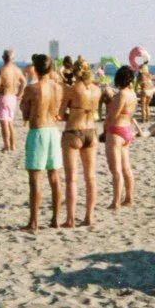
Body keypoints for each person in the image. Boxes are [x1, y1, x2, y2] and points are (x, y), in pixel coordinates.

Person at [21, 55, 63, 231]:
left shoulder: (32, 88)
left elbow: (25, 112)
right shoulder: (58, 88)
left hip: (38, 130)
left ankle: (33, 221)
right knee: (54, 177)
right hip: (53, 131)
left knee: (35, 179)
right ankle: (55, 219)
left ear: (35, 69)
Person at [60, 59, 102, 227]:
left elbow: (61, 114)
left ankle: (70, 219)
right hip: (91, 131)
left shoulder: (71, 90)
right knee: (90, 177)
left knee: (71, 179)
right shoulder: (97, 90)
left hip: (74, 130)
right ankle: (89, 217)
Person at [104, 66, 137, 209]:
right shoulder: (133, 94)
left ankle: (115, 201)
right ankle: (129, 197)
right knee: (126, 168)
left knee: (115, 169)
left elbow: (113, 114)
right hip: (126, 129)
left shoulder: (122, 94)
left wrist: (104, 127)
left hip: (116, 130)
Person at [0, 50, 25, 152]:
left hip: (4, 96)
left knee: (4, 124)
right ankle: (12, 145)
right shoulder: (17, 69)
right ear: (13, 58)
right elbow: (24, 82)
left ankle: (7, 145)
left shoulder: (1, 70)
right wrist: (19, 94)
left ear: (3, 57)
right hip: (12, 97)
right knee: (10, 123)